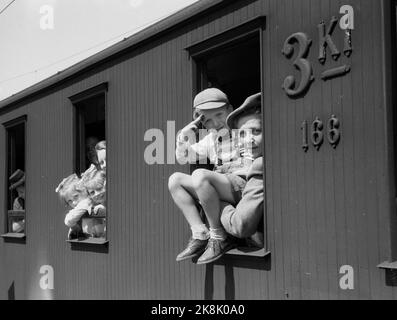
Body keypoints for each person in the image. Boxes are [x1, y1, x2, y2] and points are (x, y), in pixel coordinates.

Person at [169, 88, 254, 264]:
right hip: (222, 186)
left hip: (242, 186)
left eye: (219, 114)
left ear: (230, 110)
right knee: (175, 180)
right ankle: (200, 233)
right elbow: (183, 156)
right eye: (207, 120)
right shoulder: (211, 139)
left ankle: (218, 236)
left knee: (200, 174)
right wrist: (183, 137)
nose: (215, 123)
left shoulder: (243, 129)